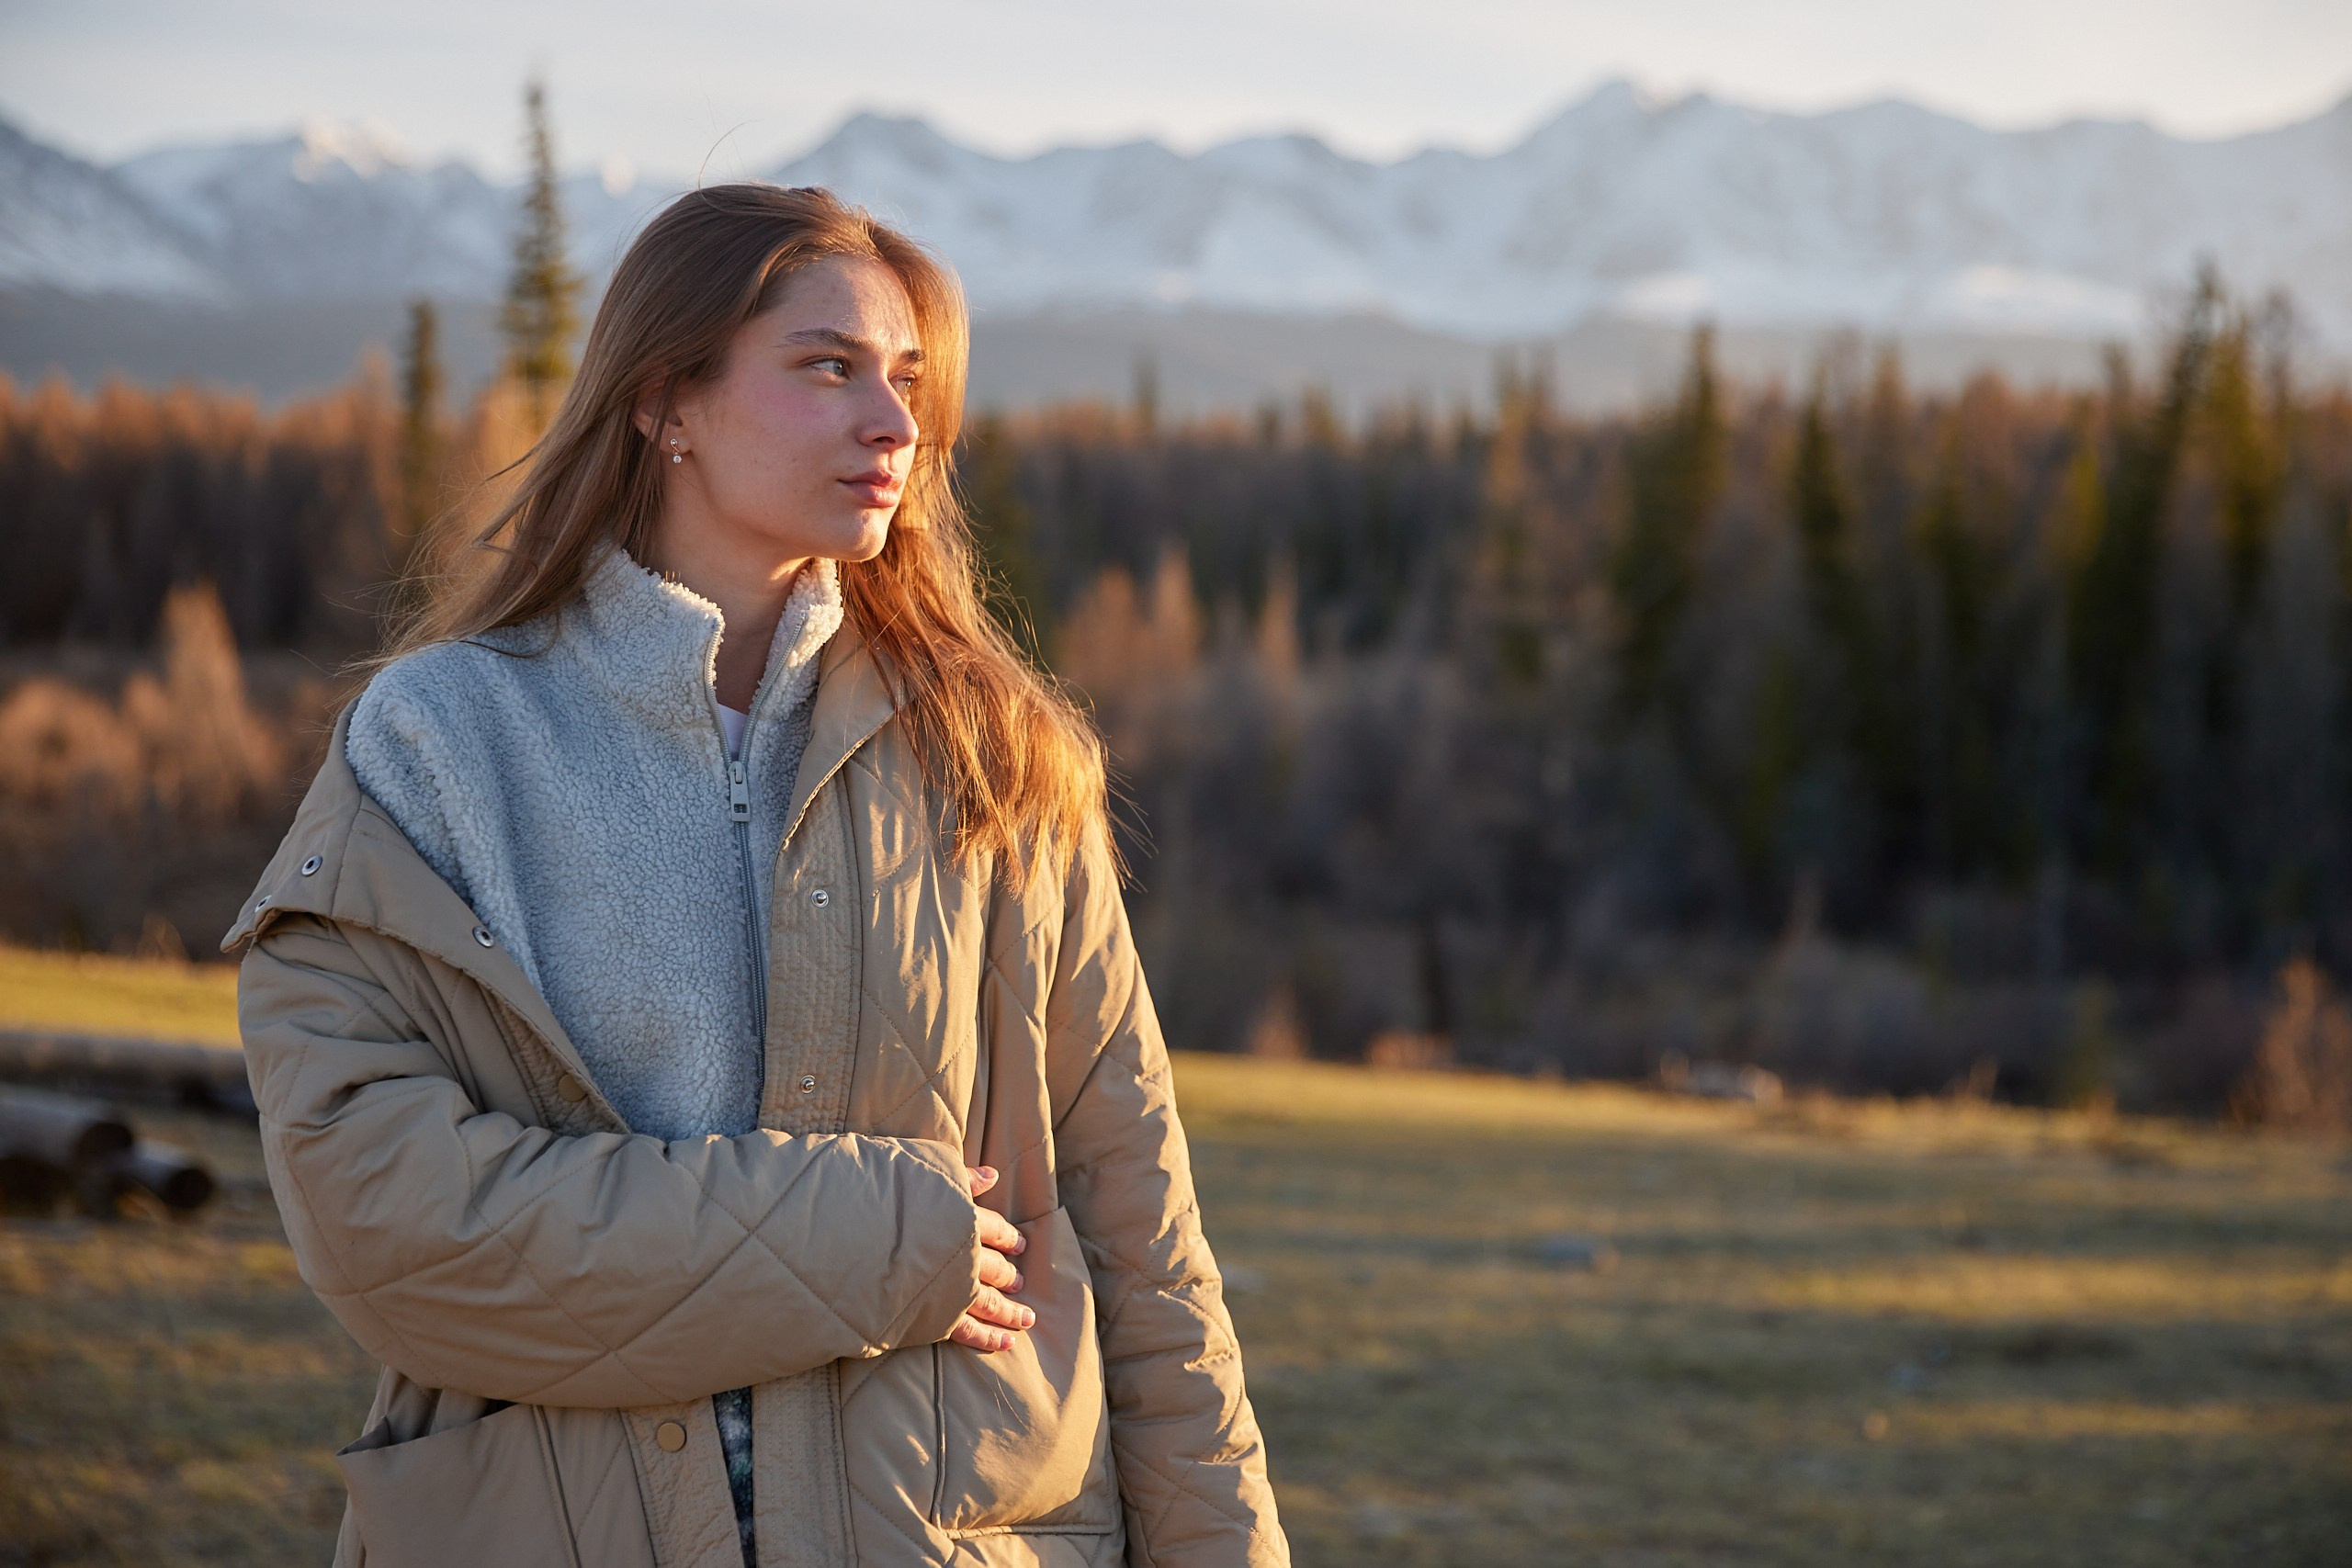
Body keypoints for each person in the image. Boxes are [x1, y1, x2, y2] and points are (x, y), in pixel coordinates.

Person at [224, 183, 1286, 1568]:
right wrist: (874, 1240)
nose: (896, 426)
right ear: (667, 402)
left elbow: (1145, 1243)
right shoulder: (439, 746)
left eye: (907, 380)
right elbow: (389, 1227)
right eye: (828, 368)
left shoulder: (995, 761)